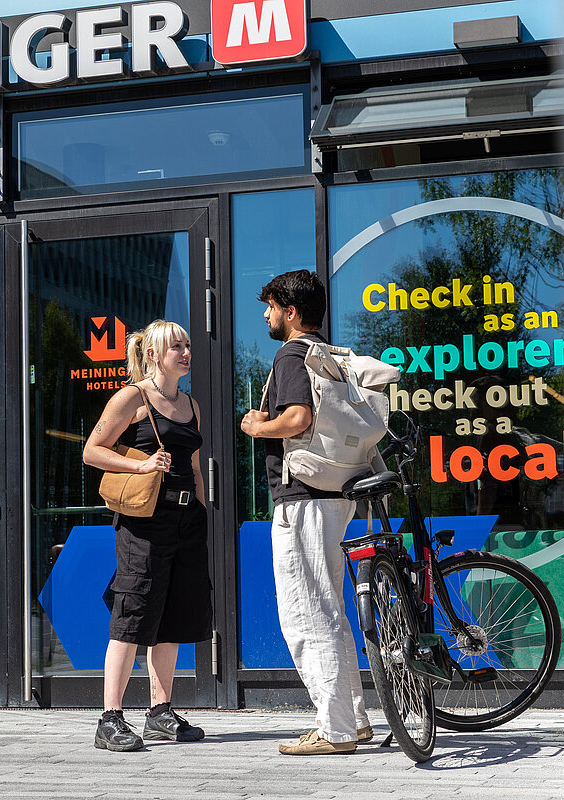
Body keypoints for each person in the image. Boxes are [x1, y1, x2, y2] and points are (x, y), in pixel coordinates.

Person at [240, 270, 374, 755]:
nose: (266, 315)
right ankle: (353, 720)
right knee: (330, 609)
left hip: (301, 498)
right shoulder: (327, 356)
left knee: (306, 613)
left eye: (270, 307)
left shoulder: (291, 355)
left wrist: (258, 426)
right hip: (334, 493)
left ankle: (335, 730)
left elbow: (297, 418)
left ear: (291, 312)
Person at [82, 319, 212, 752]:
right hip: (144, 519)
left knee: (173, 613)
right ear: (153, 354)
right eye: (176, 346)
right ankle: (110, 719)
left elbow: (192, 464)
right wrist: (140, 466)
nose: (186, 352)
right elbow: (92, 451)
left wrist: (201, 505)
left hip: (185, 519)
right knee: (133, 611)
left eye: (188, 345)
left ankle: (159, 712)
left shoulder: (192, 405)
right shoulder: (132, 397)